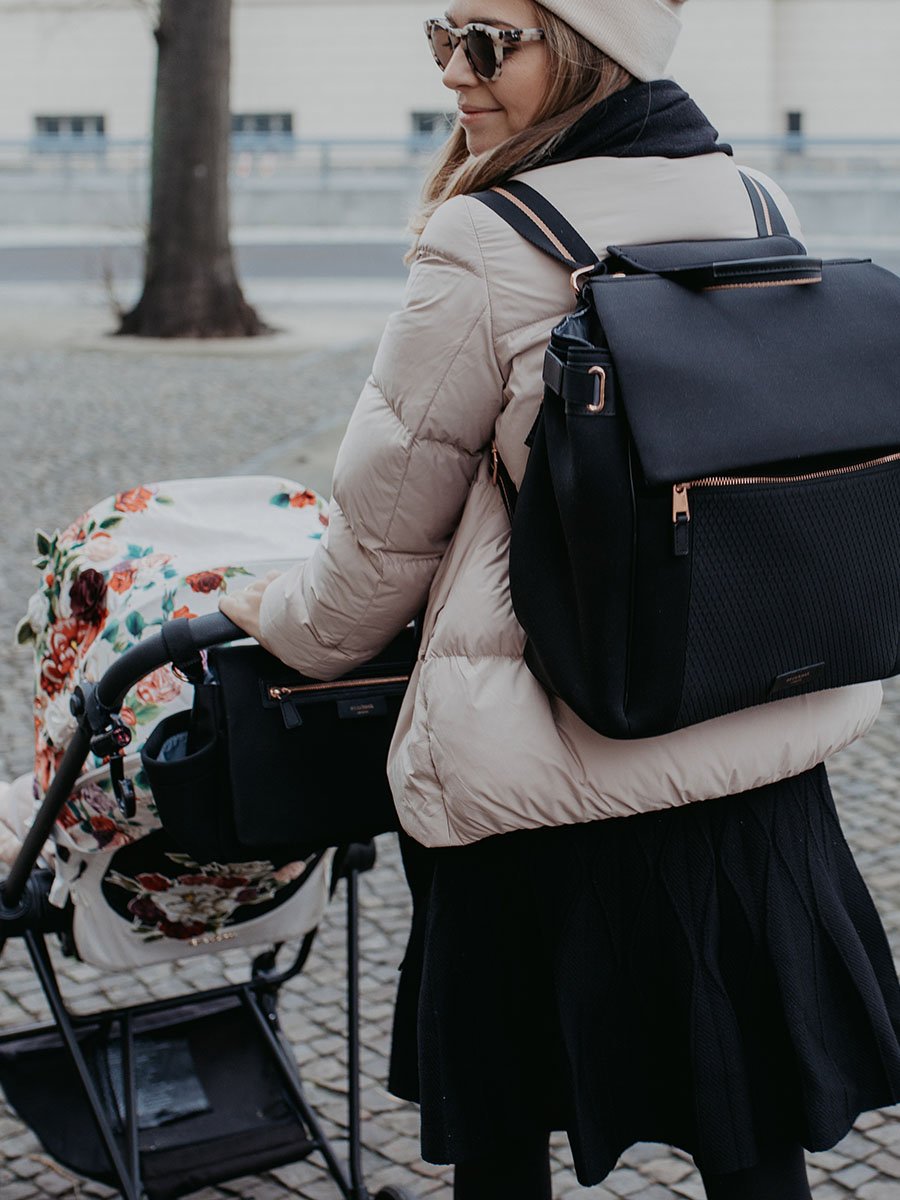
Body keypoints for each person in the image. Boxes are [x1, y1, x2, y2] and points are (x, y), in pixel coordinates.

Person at [221, 2, 900, 1197]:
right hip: (754, 755)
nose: (453, 72)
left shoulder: (488, 238)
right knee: (751, 1143)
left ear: (597, 49)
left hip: (551, 774)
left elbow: (379, 552)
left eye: (487, 40)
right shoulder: (757, 202)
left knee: (505, 1133)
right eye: (440, 34)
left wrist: (266, 615)